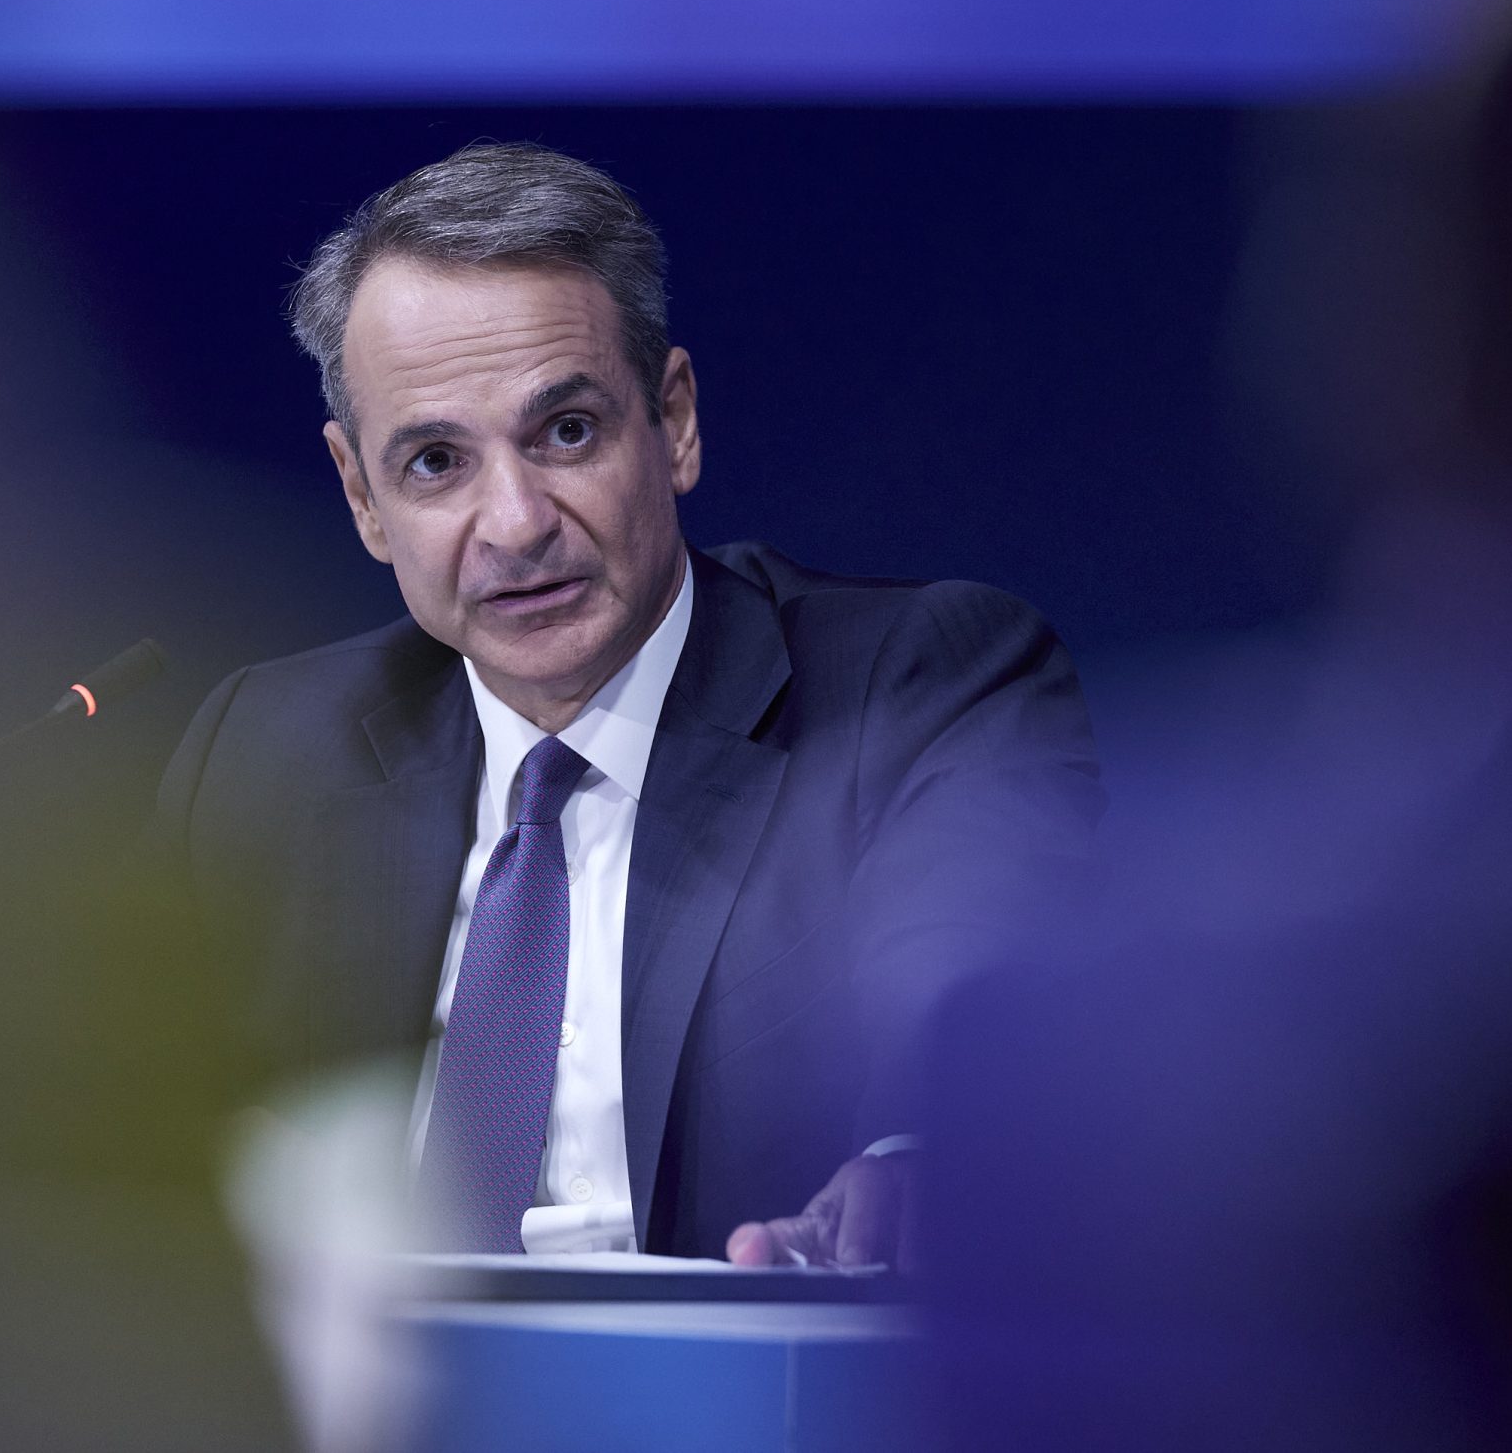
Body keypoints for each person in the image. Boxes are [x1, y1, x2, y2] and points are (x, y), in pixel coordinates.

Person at [157, 143, 1102, 1261]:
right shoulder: (268, 752)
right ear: (362, 497)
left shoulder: (914, 689)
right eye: (435, 463)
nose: (516, 524)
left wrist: (923, 1158)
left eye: (566, 432)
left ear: (675, 420)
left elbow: (968, 993)